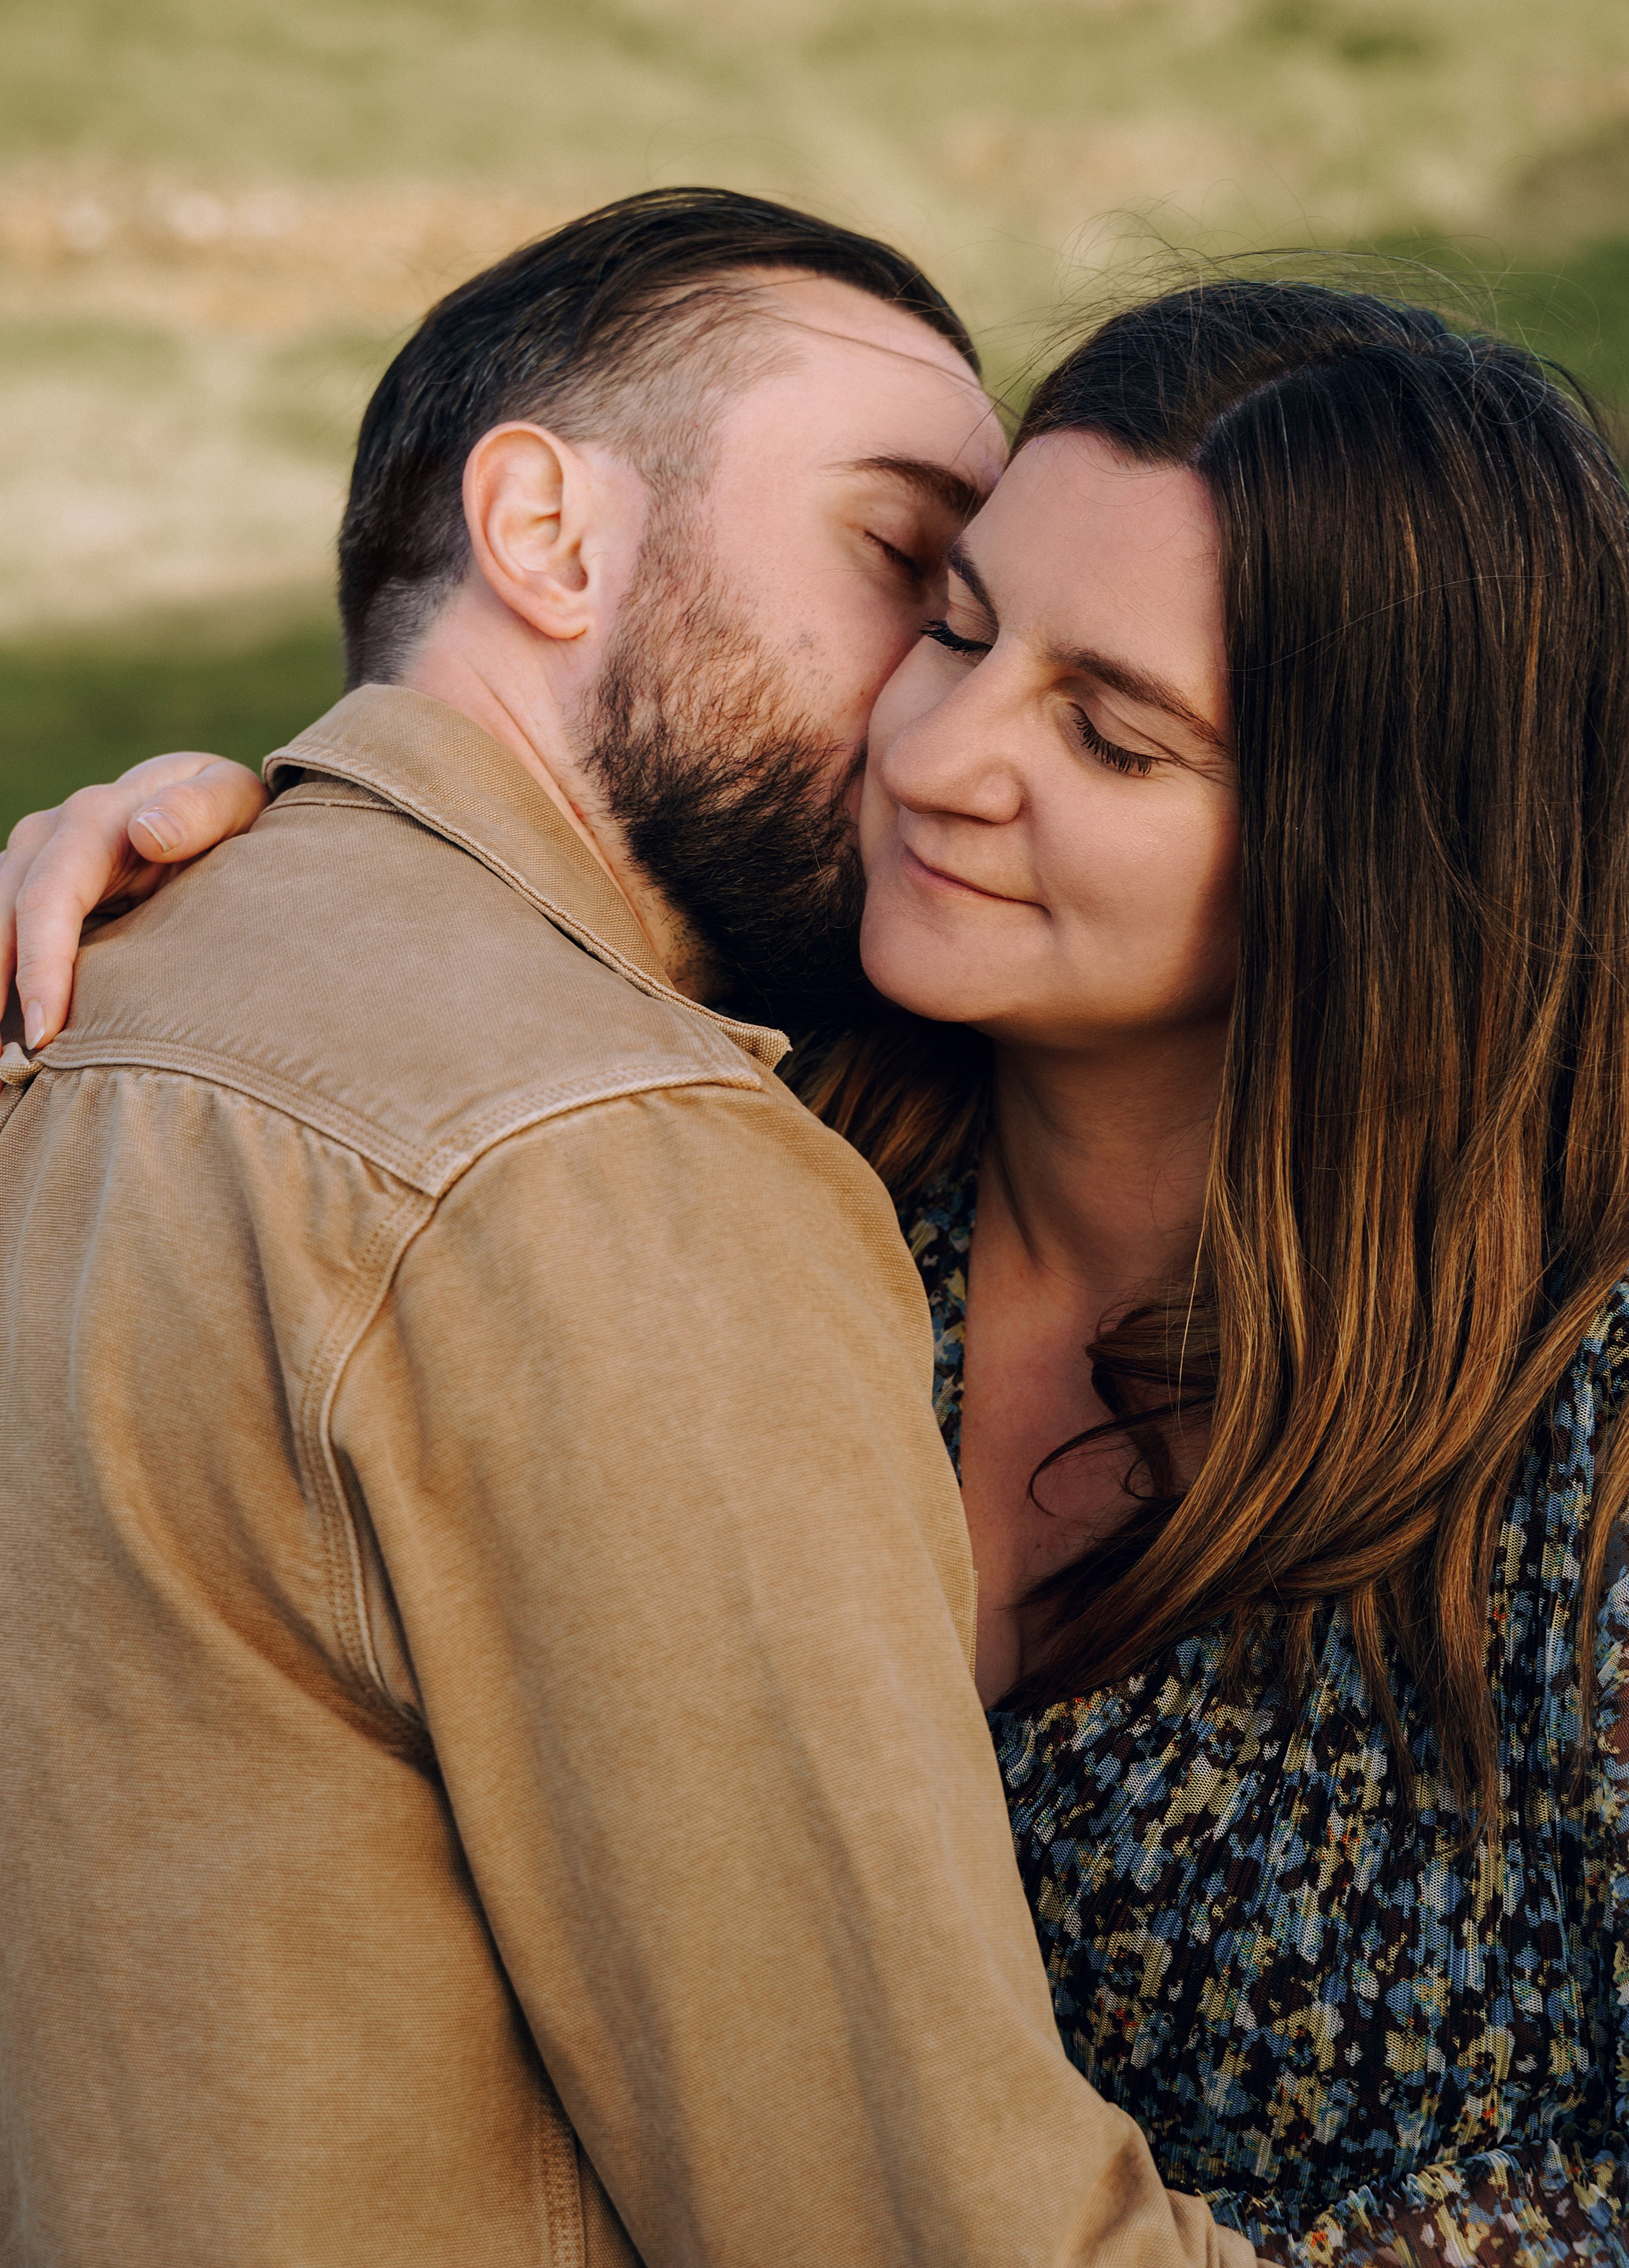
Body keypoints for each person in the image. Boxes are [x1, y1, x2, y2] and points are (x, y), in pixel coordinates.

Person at [22, 271, 1629, 2268]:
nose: (939, 752)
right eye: (953, 622)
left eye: (1114, 738)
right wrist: (269, 857)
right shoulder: (745, 1171)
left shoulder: (1584, 1426)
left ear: (1377, 855)